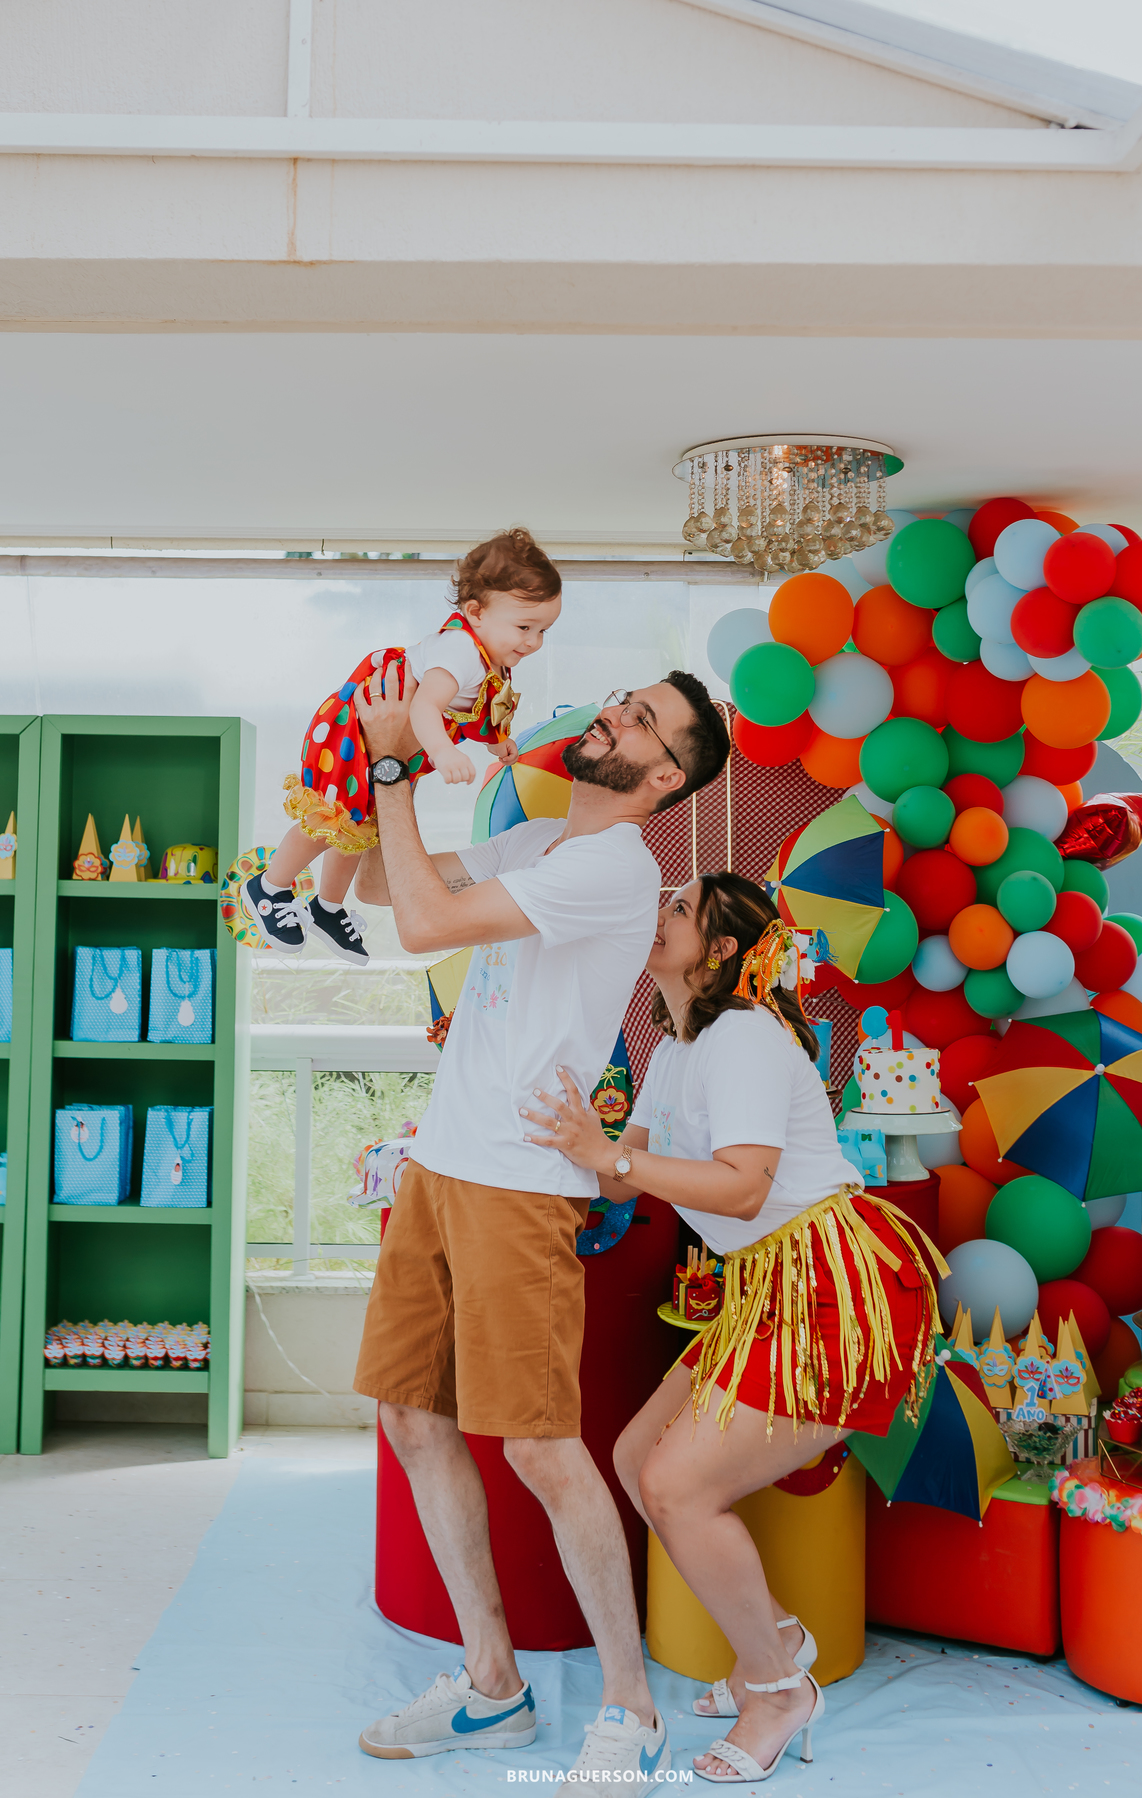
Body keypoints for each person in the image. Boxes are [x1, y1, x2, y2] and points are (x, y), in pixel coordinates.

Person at [350, 663, 731, 1783]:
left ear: (663, 775)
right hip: (442, 1160)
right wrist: (346, 792)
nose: (613, 713)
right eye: (624, 698)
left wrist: (389, 766)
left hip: (518, 1183)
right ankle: (493, 1686)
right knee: (410, 1416)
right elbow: (382, 884)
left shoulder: (616, 864)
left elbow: (423, 923)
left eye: (642, 721)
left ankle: (630, 1708)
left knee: (539, 1447)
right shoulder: (548, 841)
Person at [523, 873, 942, 1786]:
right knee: (637, 1463)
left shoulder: (745, 1034)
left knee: (676, 1484)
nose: (658, 910)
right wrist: (558, 1141)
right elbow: (624, 1180)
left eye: (679, 906)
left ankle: (778, 1687)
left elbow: (744, 1185)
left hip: (830, 1280)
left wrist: (612, 1154)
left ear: (719, 949)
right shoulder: (673, 1045)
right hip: (765, 1283)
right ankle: (779, 1637)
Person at [245, 528, 561, 965]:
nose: (534, 642)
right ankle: (270, 885)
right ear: (476, 612)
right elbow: (426, 708)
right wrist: (445, 752)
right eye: (525, 627)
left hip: (396, 747)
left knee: (365, 825)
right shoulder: (460, 653)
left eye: (544, 630)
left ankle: (327, 907)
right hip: (356, 733)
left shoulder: (490, 656)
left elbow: (471, 710)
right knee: (335, 818)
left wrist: (496, 742)